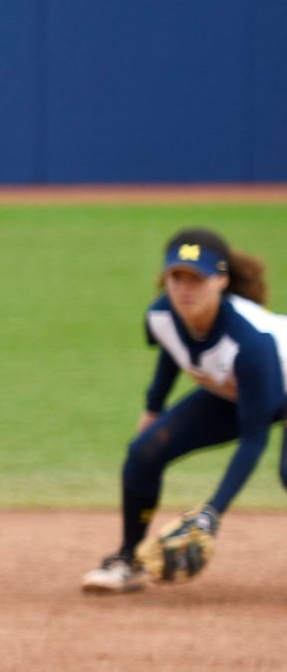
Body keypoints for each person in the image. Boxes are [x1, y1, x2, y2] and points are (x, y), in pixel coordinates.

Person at [83, 229, 287, 593]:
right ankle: (128, 560)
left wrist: (212, 512)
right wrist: (152, 409)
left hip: (273, 384)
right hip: (232, 393)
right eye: (177, 276)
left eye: (197, 277)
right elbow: (172, 352)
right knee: (144, 452)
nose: (185, 288)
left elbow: (254, 441)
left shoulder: (250, 344)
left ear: (221, 281)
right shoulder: (161, 314)